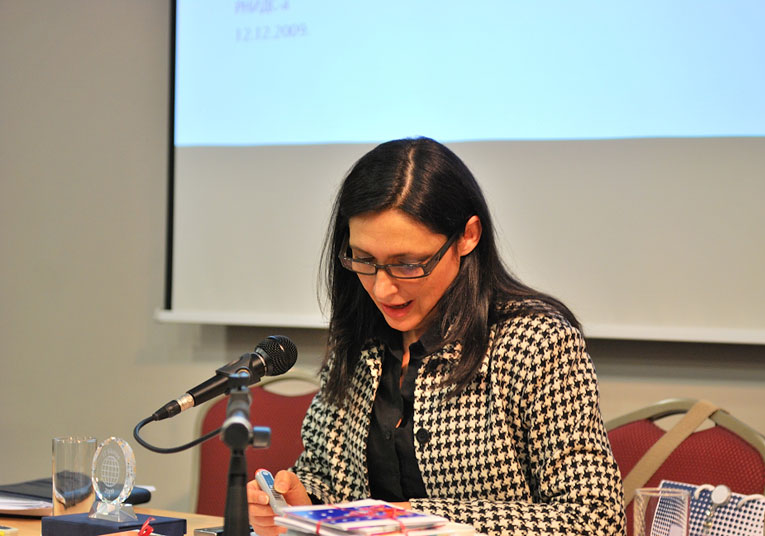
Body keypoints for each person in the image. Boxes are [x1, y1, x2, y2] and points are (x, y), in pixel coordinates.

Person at [247, 137, 625, 535]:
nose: (382, 289)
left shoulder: (537, 343)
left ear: (468, 236)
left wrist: (415, 520)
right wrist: (302, 505)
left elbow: (595, 518)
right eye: (364, 260)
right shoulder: (358, 340)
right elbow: (326, 475)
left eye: (408, 264)